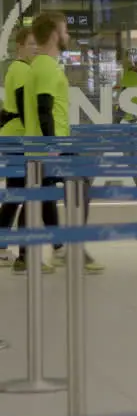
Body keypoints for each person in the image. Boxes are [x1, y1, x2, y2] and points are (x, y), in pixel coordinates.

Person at [21, 11, 104, 273]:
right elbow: (44, 107)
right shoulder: (45, 66)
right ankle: (72, 248)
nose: (68, 35)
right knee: (79, 184)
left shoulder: (41, 65)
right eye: (65, 30)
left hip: (45, 143)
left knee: (38, 196)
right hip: (50, 145)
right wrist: (53, 145)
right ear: (56, 34)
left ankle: (43, 253)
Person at [0, 27, 56, 271]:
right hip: (20, 140)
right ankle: (25, 255)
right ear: (19, 46)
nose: (35, 48)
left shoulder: (18, 68)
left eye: (37, 44)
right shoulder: (22, 69)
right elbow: (25, 109)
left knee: (17, 195)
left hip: (14, 138)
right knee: (26, 195)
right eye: (31, 44)